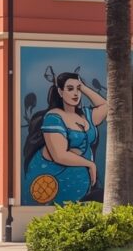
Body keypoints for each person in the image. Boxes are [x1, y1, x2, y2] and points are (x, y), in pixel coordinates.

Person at [23, 71, 107, 205]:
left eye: (77, 89)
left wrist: (84, 87)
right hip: (54, 184)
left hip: (81, 189)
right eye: (70, 89)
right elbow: (59, 155)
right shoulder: (53, 117)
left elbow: (105, 106)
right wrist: (90, 164)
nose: (75, 93)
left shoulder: (86, 115)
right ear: (60, 92)